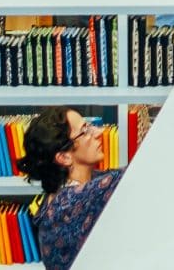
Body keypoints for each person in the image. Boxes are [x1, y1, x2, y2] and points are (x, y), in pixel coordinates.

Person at [19, 109, 123, 270]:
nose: (99, 132)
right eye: (85, 131)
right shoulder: (69, 203)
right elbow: (137, 170)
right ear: (64, 157)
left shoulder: (85, 185)